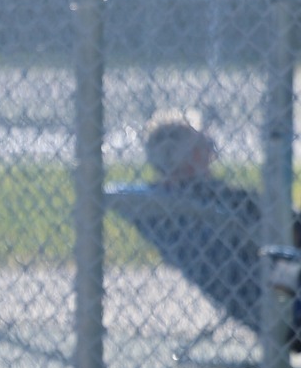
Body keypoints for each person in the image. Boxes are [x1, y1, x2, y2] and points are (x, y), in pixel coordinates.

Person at [106, 112, 300, 344]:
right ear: (192, 154)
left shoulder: (159, 204)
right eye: (204, 146)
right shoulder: (221, 201)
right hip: (281, 295)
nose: (210, 153)